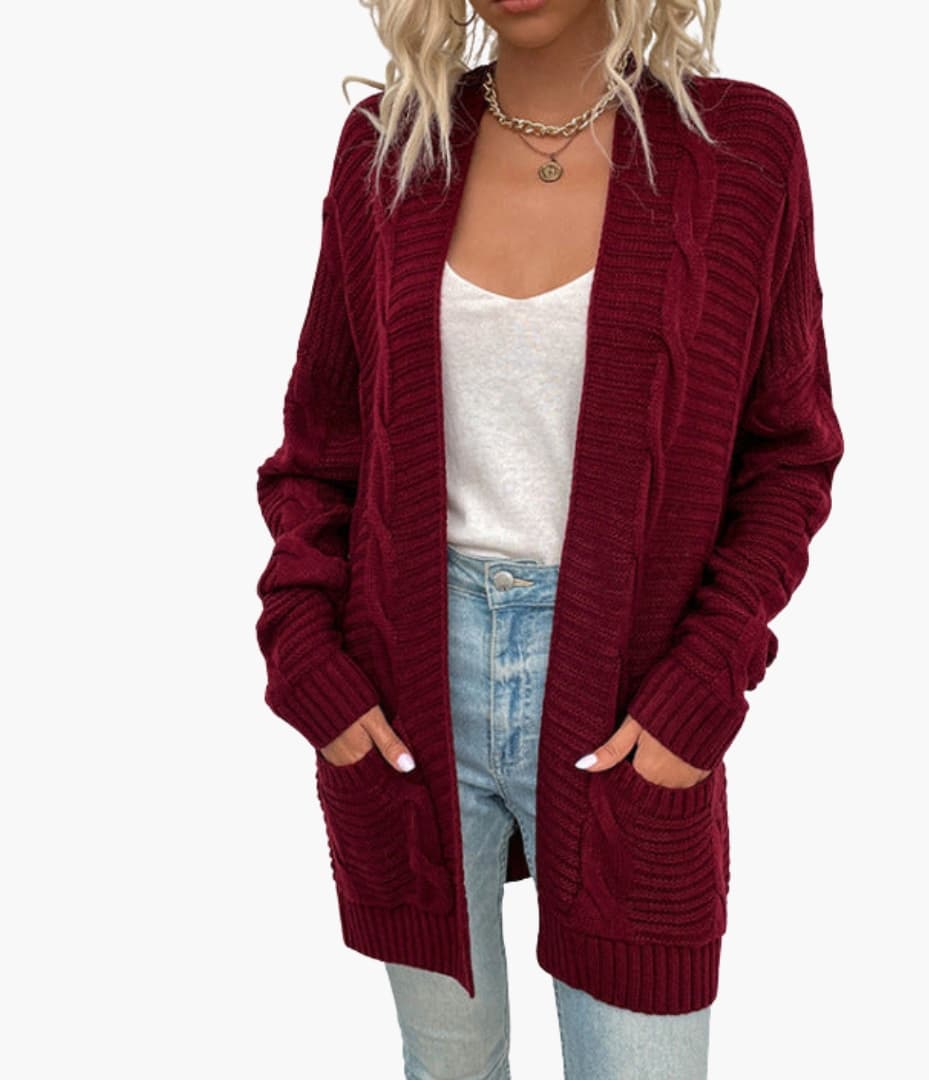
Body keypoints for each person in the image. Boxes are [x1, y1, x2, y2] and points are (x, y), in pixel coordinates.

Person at [254, 2, 844, 1077]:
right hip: (406, 691)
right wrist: (304, 654)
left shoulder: (740, 149)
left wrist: (702, 684)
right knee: (449, 1064)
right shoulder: (390, 150)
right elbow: (319, 447)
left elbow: (788, 457)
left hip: (626, 692)